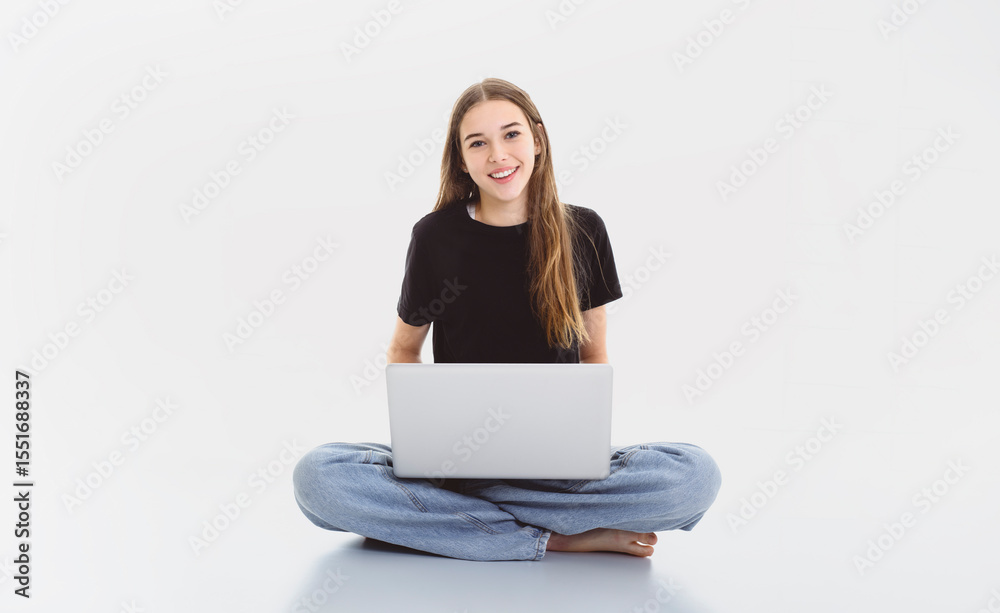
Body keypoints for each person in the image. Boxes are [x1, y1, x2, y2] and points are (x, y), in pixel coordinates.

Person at [292, 78, 722, 561]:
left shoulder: (583, 231)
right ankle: (552, 536)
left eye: (511, 134)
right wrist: (423, 442)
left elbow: (593, 353)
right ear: (461, 159)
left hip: (556, 471)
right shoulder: (435, 237)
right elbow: (403, 350)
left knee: (694, 476)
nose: (498, 154)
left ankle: (455, 521)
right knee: (319, 478)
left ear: (537, 139)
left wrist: (582, 438)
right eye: (478, 143)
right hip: (455, 465)